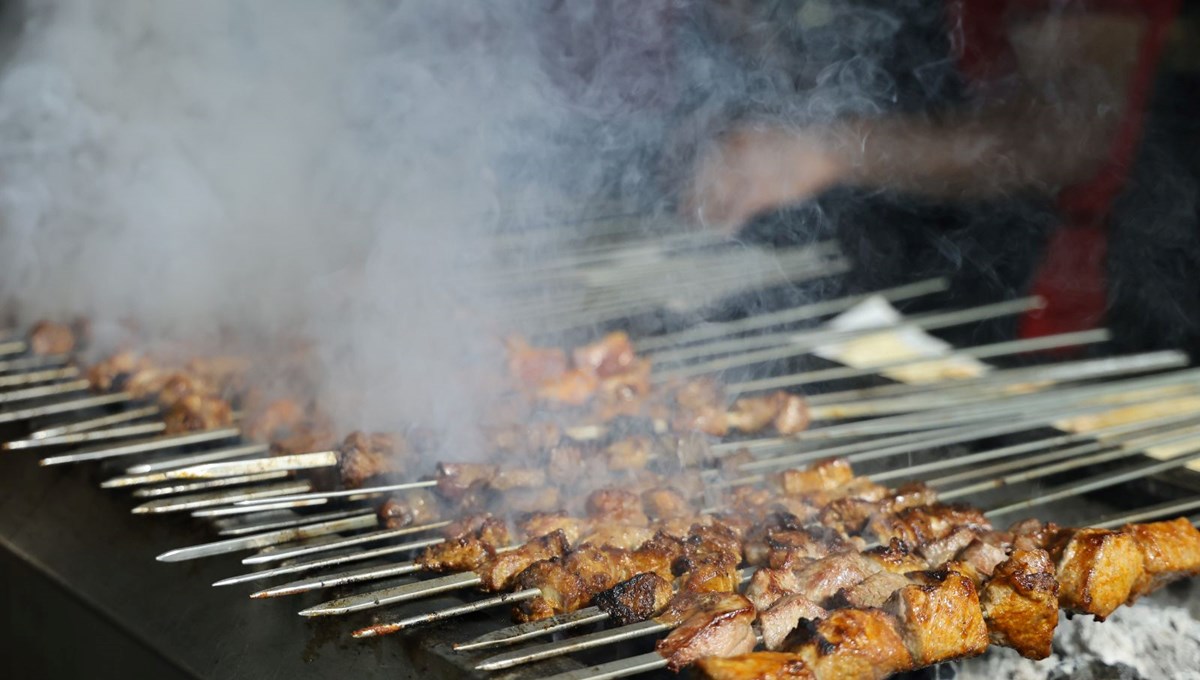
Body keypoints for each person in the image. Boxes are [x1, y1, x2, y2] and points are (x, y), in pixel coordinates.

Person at [682, 0, 1198, 351]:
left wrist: (826, 149)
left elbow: (1065, 137)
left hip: (1058, 291)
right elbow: (856, 73)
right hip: (909, 265)